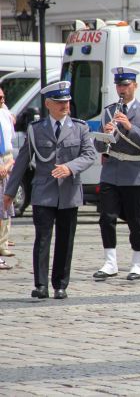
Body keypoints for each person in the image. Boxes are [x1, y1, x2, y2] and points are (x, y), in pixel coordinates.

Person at [4, 81, 96, 298]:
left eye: (67, 101)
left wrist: (69, 167)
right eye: (59, 102)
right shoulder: (36, 130)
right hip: (43, 192)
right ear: (48, 104)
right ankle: (41, 285)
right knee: (42, 238)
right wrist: (9, 192)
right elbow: (23, 161)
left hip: (69, 193)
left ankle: (61, 284)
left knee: (65, 239)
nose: (65, 105)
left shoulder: (80, 127)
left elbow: (89, 155)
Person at [93, 67, 140, 281]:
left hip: (134, 172)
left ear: (135, 86)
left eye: (126, 85)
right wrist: (105, 135)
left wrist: (129, 127)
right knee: (106, 218)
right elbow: (99, 147)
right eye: (119, 85)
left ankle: (137, 263)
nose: (122, 89)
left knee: (135, 220)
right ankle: (110, 262)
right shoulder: (109, 111)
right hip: (111, 172)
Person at [0, 87, 15, 270]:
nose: (2, 100)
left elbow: (9, 138)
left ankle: (3, 244)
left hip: (6, 158)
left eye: (3, 96)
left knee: (5, 206)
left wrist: (9, 164)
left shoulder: (4, 113)